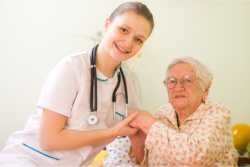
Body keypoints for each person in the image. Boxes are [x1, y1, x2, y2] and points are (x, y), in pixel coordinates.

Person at [0, 2, 154, 167]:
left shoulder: (126, 80)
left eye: (138, 40)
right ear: (107, 24)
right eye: (123, 30)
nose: (128, 43)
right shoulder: (72, 68)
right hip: (30, 159)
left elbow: (137, 133)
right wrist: (112, 132)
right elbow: (48, 140)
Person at [128, 56, 238, 166]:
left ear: (205, 90)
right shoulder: (162, 113)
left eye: (187, 80)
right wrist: (138, 145)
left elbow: (195, 158)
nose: (178, 88)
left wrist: (151, 126)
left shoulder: (218, 113)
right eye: (172, 81)